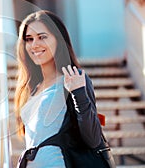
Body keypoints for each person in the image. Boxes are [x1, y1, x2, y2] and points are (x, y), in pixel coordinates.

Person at [14, 10, 115, 167]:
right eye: (29, 39)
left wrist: (79, 93)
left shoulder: (74, 77)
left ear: (59, 40)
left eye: (42, 37)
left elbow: (93, 138)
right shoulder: (32, 88)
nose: (35, 44)